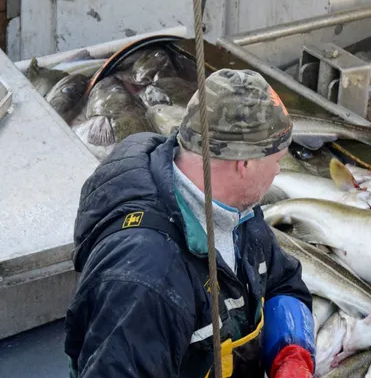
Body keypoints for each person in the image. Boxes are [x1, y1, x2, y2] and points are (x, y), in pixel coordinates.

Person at [65, 69, 316, 378]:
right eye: (277, 160)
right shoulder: (145, 281)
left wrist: (292, 352)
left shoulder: (239, 215)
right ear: (245, 163)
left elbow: (282, 281)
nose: (278, 171)